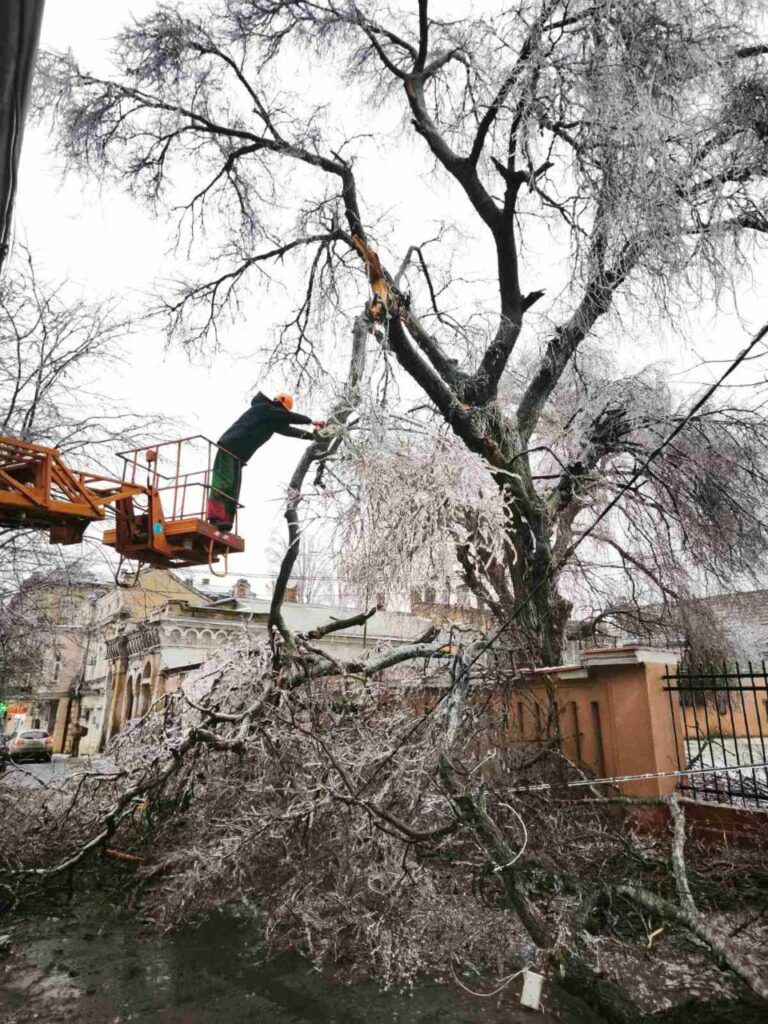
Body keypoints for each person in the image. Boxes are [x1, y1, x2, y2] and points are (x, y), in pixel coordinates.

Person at [207, 391, 326, 532]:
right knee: (223, 483)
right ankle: (215, 518)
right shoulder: (264, 408)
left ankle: (225, 522)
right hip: (229, 448)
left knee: (233, 489)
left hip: (239, 457)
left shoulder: (271, 419)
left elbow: (289, 430)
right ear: (279, 405)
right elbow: (286, 417)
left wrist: (311, 436)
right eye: (283, 411)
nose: (283, 414)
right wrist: (311, 421)